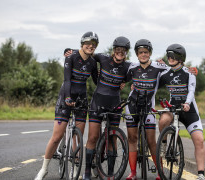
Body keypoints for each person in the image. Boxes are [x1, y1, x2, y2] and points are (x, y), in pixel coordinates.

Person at [34, 31, 99, 180]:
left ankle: (74, 170)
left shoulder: (92, 62)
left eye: (94, 44)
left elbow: (98, 82)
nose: (91, 46)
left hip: (82, 98)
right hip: (66, 95)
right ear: (82, 43)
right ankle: (43, 169)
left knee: (78, 138)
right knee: (56, 137)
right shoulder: (71, 57)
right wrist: (68, 97)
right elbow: (67, 79)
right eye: (88, 43)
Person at [83, 36, 132, 180]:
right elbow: (87, 51)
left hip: (115, 104)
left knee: (112, 139)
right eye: (118, 49)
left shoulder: (128, 66)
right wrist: (70, 51)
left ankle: (110, 174)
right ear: (113, 50)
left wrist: (161, 63)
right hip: (98, 102)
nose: (120, 52)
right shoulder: (103, 58)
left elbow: (145, 68)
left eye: (123, 51)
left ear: (126, 52)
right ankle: (86, 172)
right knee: (92, 137)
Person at [158, 44, 205, 180]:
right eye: (168, 56)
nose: (170, 58)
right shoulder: (165, 73)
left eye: (173, 56)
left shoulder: (189, 72)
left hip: (188, 109)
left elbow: (191, 91)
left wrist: (187, 103)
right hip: (173, 106)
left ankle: (201, 174)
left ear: (180, 58)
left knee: (199, 140)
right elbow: (153, 86)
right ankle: (163, 145)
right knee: (163, 120)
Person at [125, 39, 169, 180]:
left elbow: (176, 71)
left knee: (151, 141)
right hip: (132, 105)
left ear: (149, 53)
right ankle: (132, 173)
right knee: (132, 138)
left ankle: (159, 172)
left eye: (145, 52)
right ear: (137, 54)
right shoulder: (132, 67)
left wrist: (190, 70)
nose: (143, 54)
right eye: (140, 52)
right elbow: (121, 77)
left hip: (148, 106)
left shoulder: (158, 66)